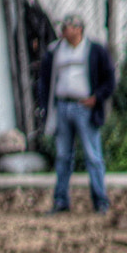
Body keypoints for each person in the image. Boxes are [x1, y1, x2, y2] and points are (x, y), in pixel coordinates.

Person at [35, 14, 116, 215]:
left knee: (93, 155)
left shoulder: (94, 50)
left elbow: (110, 79)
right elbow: (45, 80)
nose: (64, 30)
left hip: (85, 108)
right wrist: (45, 105)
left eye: (68, 27)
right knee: (63, 156)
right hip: (63, 107)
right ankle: (60, 201)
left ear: (79, 29)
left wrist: (96, 98)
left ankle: (100, 201)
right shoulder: (55, 52)